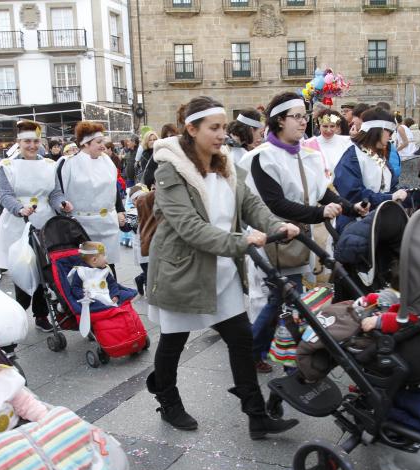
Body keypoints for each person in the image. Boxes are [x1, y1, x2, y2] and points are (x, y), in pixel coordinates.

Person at [145, 95, 301, 438]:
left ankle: (256, 415)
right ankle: (168, 401)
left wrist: (276, 226)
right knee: (173, 340)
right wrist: (242, 243)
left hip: (223, 268)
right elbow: (188, 226)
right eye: (213, 128)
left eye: (222, 127)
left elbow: (251, 205)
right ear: (191, 128)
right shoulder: (171, 169)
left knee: (242, 339)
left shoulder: (226, 163)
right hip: (183, 270)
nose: (221, 134)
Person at [244, 92, 368, 372]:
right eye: (297, 117)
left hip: (299, 238)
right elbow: (276, 203)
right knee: (289, 299)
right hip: (273, 239)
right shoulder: (262, 158)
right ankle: (287, 362)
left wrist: (351, 208)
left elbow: (322, 191)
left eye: (304, 116)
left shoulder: (308, 154)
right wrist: (318, 213)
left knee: (282, 300)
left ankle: (259, 352)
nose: (304, 122)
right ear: (278, 121)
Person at [0, 120, 73, 332]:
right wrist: (19, 209)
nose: (32, 145)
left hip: (45, 220)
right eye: (27, 141)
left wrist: (61, 204)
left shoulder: (48, 165)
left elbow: (54, 193)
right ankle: (17, 312)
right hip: (18, 223)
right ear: (19, 142)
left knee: (44, 268)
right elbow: (5, 195)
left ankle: (41, 314)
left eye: (36, 141)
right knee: (24, 269)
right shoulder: (7, 167)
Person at [60, 121, 126, 273]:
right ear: (86, 144)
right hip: (83, 226)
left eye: (103, 141)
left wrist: (119, 209)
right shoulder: (69, 164)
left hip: (107, 223)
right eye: (99, 142)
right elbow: (60, 192)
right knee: (87, 267)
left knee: (108, 264)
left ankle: (112, 294)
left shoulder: (107, 161)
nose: (103, 146)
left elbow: (113, 187)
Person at [333, 107, 408, 231]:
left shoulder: (377, 154)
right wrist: (390, 198)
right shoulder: (352, 155)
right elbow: (353, 195)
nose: (390, 137)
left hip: (380, 222)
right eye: (389, 132)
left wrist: (415, 195)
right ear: (378, 131)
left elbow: (390, 188)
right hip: (355, 227)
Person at [68, 241, 137, 308]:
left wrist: (114, 295)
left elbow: (112, 284)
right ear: (94, 260)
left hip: (107, 294)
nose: (106, 259)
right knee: (94, 305)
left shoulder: (104, 270)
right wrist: (82, 296)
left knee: (125, 295)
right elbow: (75, 287)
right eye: (103, 256)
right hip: (91, 299)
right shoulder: (81, 271)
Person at [303, 109, 352, 181]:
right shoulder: (308, 144)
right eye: (325, 126)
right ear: (319, 126)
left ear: (337, 127)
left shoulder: (347, 142)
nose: (328, 130)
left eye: (332, 126)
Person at [226, 109, 265, 182]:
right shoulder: (237, 154)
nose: (261, 139)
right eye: (261, 134)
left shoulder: (234, 147)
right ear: (251, 130)